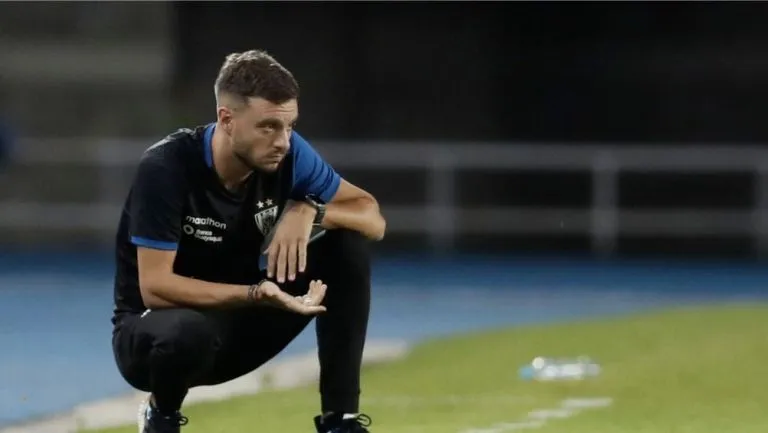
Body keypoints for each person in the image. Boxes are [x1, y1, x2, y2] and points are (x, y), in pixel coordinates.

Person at [110, 49, 386, 433]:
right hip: (156, 341)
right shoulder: (166, 167)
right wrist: (256, 293)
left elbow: (372, 217)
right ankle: (162, 417)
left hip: (240, 327)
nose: (283, 142)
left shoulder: (291, 156)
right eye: (268, 127)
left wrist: (310, 211)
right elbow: (155, 288)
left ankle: (340, 420)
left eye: (289, 126)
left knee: (346, 245)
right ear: (227, 120)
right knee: (186, 333)